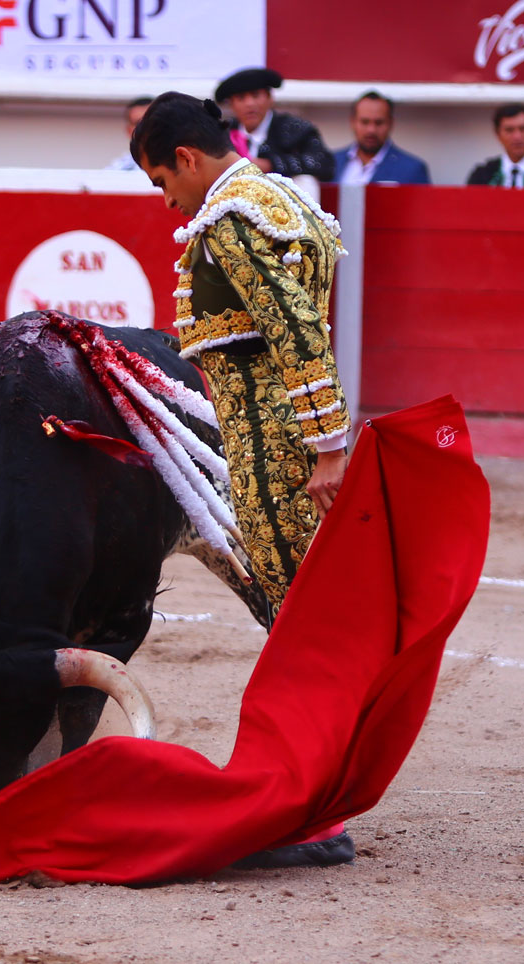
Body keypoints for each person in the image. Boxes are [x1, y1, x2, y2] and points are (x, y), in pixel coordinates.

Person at [130, 92, 349, 618]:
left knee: (297, 606)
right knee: (318, 596)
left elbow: (296, 329)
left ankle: (324, 703)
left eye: (162, 181)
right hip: (296, 432)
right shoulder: (280, 196)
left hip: (269, 451)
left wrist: (331, 448)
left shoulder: (229, 221)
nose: (167, 200)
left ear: (187, 157)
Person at [213, 67, 335, 184]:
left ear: (270, 98)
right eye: (240, 98)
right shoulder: (223, 133)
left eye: (256, 95)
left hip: (283, 201)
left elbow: (324, 164)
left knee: (306, 180)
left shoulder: (295, 128)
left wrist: (271, 165)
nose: (249, 104)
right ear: (231, 104)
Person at [334, 90, 431, 185]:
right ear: (353, 122)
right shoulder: (332, 162)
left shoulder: (412, 170)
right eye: (365, 122)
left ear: (390, 123)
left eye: (379, 123)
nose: (371, 130)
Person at [466, 102, 524, 188]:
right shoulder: (482, 176)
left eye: (523, 129)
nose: (517, 137)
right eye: (509, 130)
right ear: (498, 134)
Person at [104, 97, 153, 171]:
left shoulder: (176, 163)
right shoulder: (116, 171)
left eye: (151, 121)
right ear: (129, 131)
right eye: (138, 123)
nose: (145, 127)